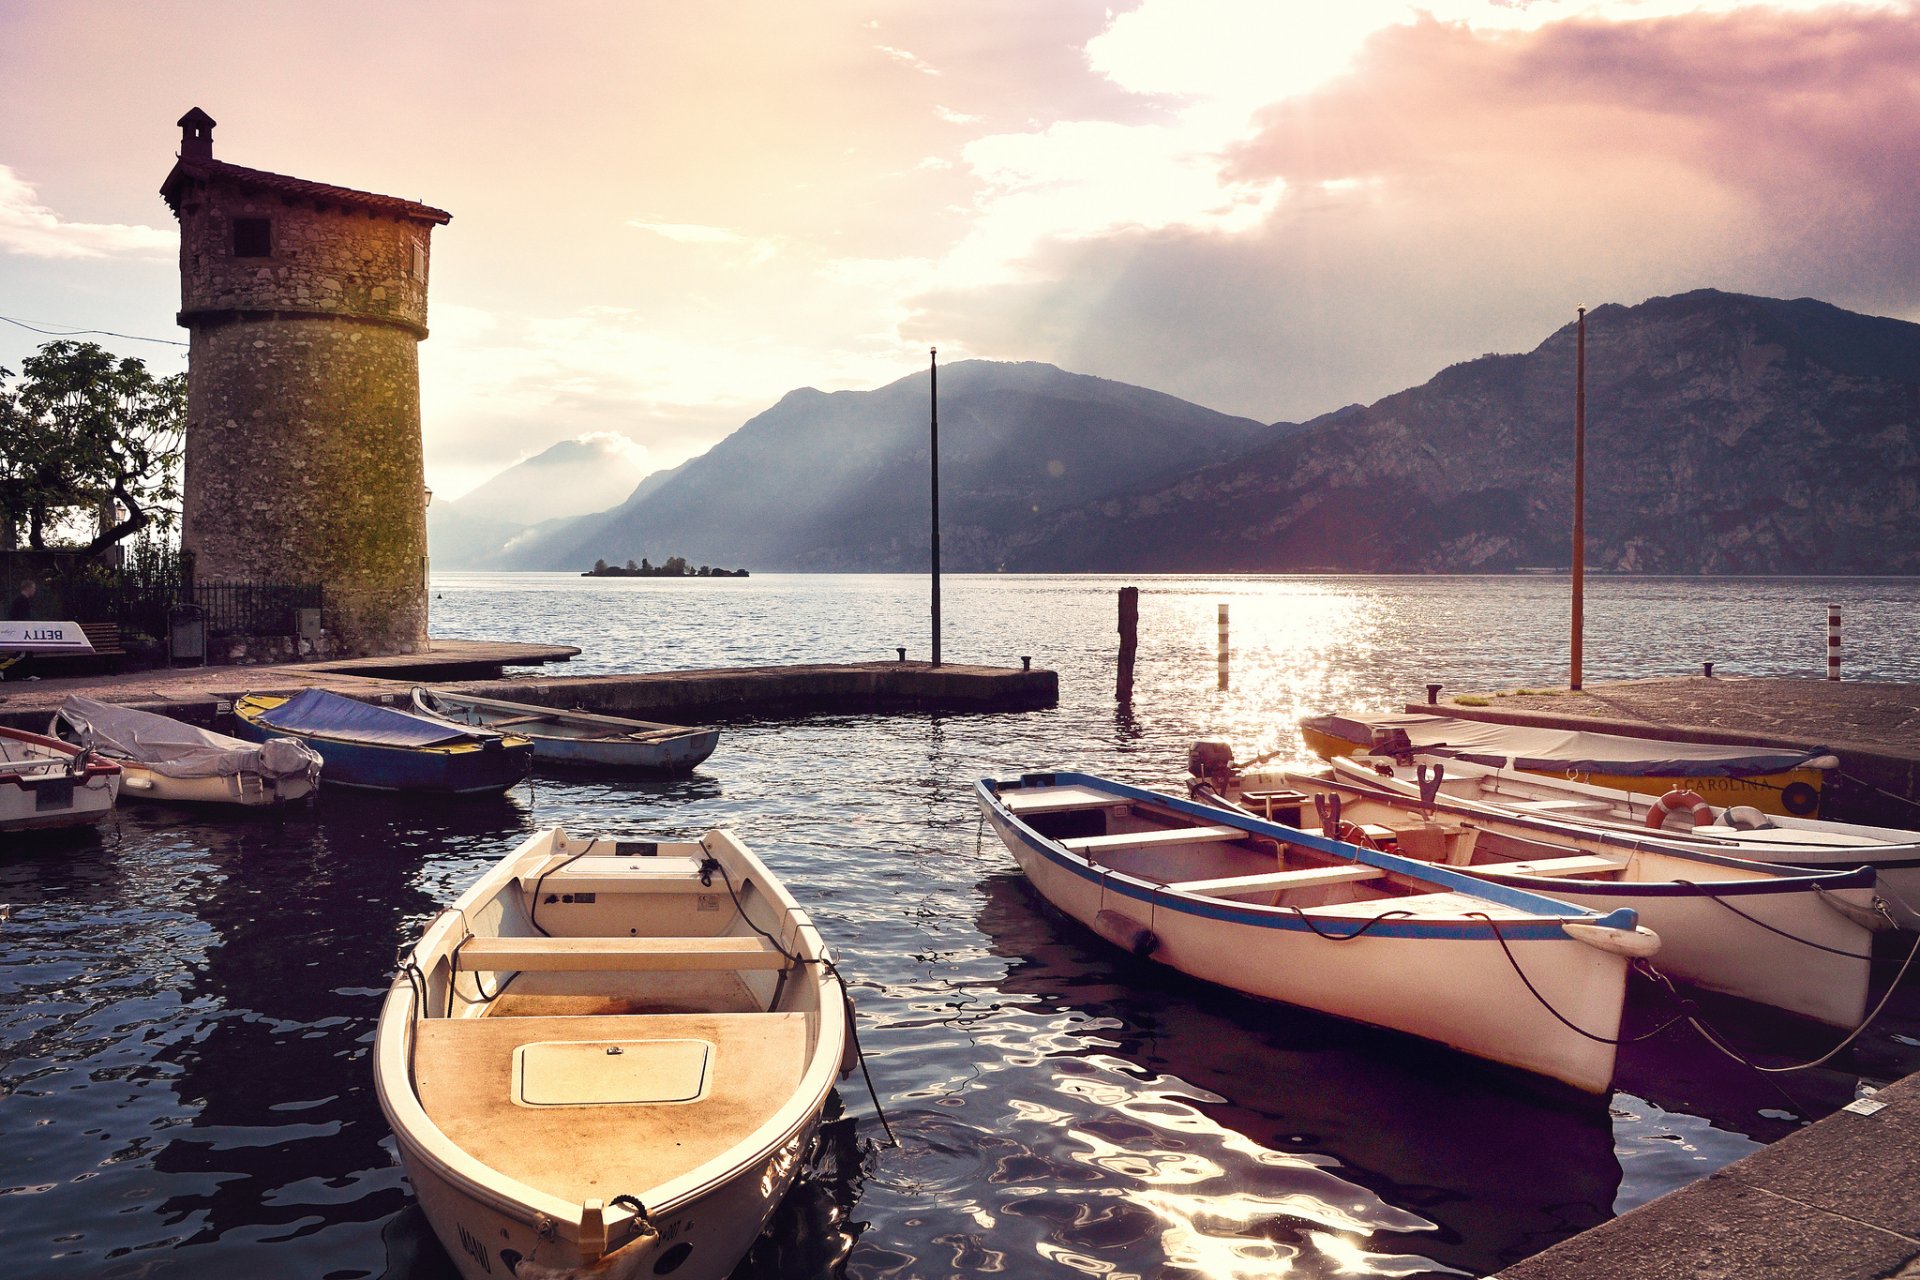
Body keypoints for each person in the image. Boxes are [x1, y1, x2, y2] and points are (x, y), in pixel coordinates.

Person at [3, 579, 38, 680]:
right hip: (21, 632)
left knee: (27, 653)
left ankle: (27, 674)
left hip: (24, 631)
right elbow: (19, 618)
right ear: (28, 588)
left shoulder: (23, 600)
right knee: (22, 654)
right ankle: (1, 668)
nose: (34, 590)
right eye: (33, 588)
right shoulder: (21, 600)